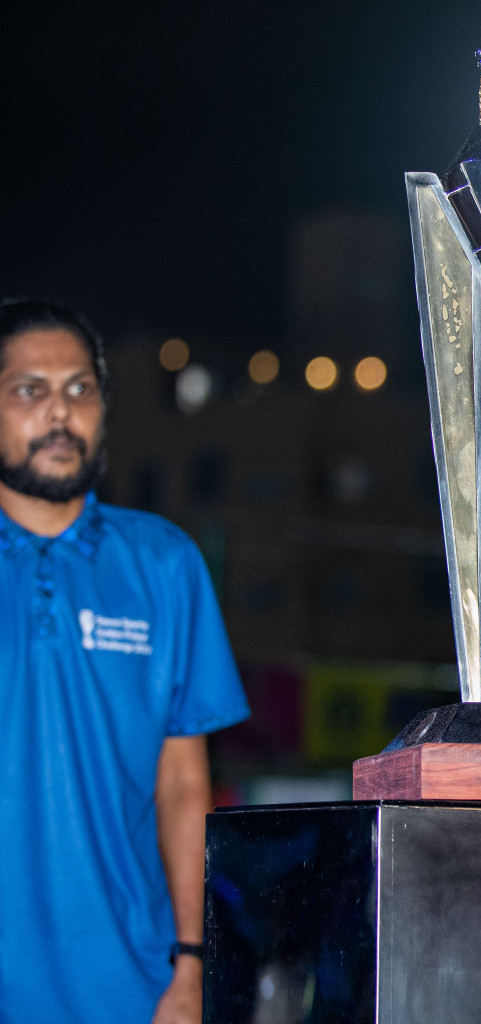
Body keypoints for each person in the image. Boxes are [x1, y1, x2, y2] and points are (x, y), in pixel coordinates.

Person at [0, 300, 249, 1023]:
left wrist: (193, 967)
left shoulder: (162, 564)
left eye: (80, 389)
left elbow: (182, 784)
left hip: (131, 989)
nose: (60, 413)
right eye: (29, 390)